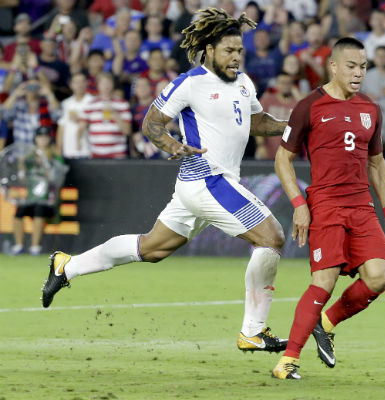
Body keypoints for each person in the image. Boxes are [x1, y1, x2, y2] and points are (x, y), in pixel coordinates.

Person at [41, 7, 291, 354]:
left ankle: (67, 266)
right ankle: (253, 331)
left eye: (239, 51)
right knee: (272, 236)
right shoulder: (190, 83)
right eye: (229, 50)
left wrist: (294, 126)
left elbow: (258, 122)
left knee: (152, 248)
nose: (236, 57)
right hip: (207, 179)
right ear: (209, 49)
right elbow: (151, 123)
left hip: (209, 185)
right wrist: (172, 145)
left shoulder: (244, 82)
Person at [272, 37, 385, 380]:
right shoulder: (309, 106)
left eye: (363, 67)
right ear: (333, 66)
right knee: (324, 282)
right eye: (351, 66)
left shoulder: (370, 108)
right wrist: (300, 205)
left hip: (361, 206)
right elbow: (282, 159)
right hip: (326, 205)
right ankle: (288, 360)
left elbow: (377, 164)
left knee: (378, 277)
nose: (358, 73)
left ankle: (327, 323)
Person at [11, 127, 64, 256]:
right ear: (35, 139)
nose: (43, 140)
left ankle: (35, 247)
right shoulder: (29, 157)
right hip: (31, 198)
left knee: (39, 211)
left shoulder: (55, 156)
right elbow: (22, 179)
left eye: (45, 137)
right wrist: (21, 166)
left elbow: (57, 180)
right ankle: (19, 245)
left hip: (48, 200)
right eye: (40, 137)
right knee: (18, 212)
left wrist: (45, 165)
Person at [78, 72, 132, 159]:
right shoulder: (90, 105)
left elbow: (127, 131)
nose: (106, 85)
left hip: (118, 154)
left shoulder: (123, 104)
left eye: (108, 82)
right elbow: (81, 127)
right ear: (98, 85)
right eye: (103, 83)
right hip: (96, 154)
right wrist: (78, 142)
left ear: (113, 85)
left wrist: (115, 115)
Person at [255, 71, 299, 160]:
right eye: (282, 83)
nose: (285, 85)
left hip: (289, 153)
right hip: (267, 151)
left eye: (288, 83)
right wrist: (261, 145)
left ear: (292, 85)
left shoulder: (296, 103)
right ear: (277, 85)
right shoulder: (267, 99)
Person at [56, 73, 93, 159]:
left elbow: (98, 125)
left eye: (82, 81)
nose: (79, 85)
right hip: (68, 150)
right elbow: (61, 127)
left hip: (87, 149)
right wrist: (59, 149)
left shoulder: (93, 101)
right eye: (76, 82)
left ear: (87, 83)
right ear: (71, 85)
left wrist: (81, 120)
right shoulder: (66, 103)